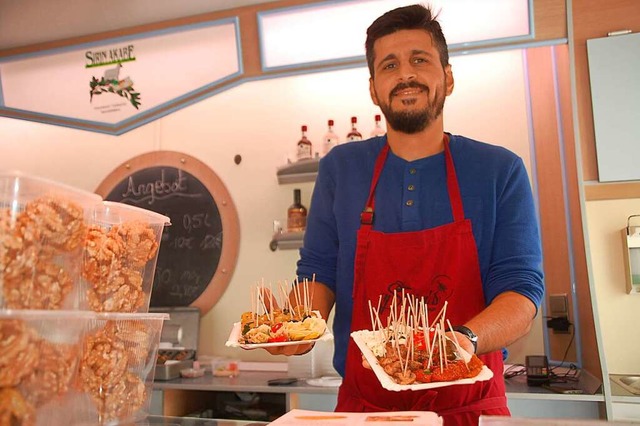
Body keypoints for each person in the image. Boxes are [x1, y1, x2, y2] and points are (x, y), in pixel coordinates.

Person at [265, 4, 544, 425]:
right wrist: (298, 330)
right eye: (389, 65)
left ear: (447, 78)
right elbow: (318, 271)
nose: (405, 74)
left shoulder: (499, 170)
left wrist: (461, 342)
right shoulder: (342, 168)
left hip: (470, 407)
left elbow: (521, 293)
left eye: (420, 60)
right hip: (365, 410)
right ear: (374, 89)